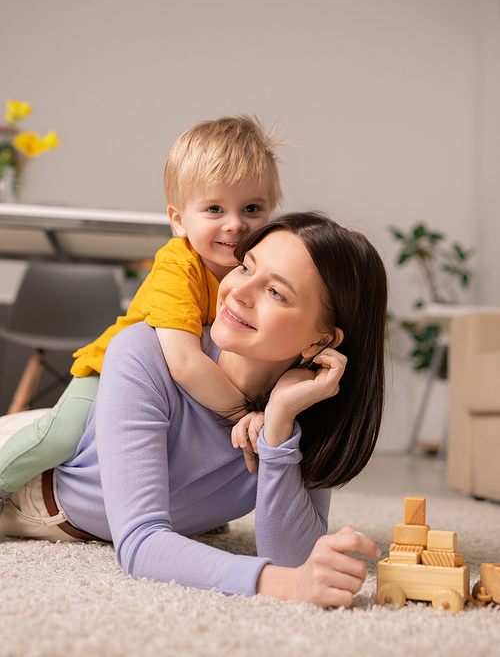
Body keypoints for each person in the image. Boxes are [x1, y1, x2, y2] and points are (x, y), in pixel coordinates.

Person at [0, 213, 387, 608]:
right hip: (31, 480)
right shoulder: (144, 354)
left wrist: (279, 424)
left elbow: (294, 559)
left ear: (322, 339)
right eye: (244, 267)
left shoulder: (307, 406)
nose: (237, 290)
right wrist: (277, 585)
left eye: (276, 292)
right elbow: (140, 544)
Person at [0, 116, 284, 502]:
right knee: (61, 437)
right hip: (112, 372)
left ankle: (198, 509)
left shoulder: (260, 269)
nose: (235, 225)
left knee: (195, 449)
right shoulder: (177, 265)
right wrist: (244, 413)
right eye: (214, 209)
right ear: (179, 221)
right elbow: (184, 362)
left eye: (252, 208)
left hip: (178, 389)